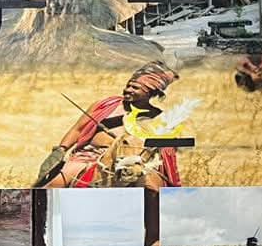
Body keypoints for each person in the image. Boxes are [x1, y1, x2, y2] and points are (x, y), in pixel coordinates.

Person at [36, 62, 183, 190]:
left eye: (135, 88)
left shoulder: (158, 117)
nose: (128, 90)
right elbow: (78, 129)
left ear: (150, 93)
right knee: (54, 185)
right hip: (90, 157)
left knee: (154, 191)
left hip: (135, 163)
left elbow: (169, 146)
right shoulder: (106, 104)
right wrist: (61, 149)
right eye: (128, 85)